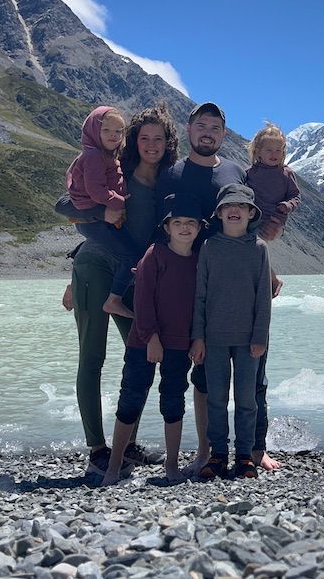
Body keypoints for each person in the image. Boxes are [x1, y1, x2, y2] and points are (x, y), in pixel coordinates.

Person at [61, 105, 211, 477]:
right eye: (143, 137)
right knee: (92, 358)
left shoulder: (169, 183)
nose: (151, 145)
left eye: (158, 138)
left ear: (168, 143)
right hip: (95, 268)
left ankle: (126, 445)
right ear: (133, 140)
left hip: (133, 278)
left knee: (143, 357)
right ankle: (98, 447)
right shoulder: (114, 170)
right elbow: (66, 204)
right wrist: (99, 218)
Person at [156, 102, 283, 473]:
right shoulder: (172, 172)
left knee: (252, 385)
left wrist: (269, 270)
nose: (207, 132)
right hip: (190, 286)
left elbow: (254, 223)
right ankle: (207, 452)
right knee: (201, 378)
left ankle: (253, 451)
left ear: (224, 134)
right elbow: (154, 221)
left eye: (214, 126)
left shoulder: (234, 171)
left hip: (238, 290)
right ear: (189, 128)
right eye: (201, 125)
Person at [101, 193, 204, 486]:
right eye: (178, 223)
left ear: (199, 228)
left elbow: (199, 304)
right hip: (144, 341)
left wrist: (198, 338)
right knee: (131, 397)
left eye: (191, 223)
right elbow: (143, 300)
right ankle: (114, 465)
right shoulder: (154, 255)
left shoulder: (198, 262)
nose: (185, 228)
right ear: (167, 227)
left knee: (173, 401)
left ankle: (171, 465)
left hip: (180, 343)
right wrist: (152, 338)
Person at [189, 183, 272, 480]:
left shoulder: (259, 249)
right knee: (216, 399)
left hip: (250, 340)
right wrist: (198, 336)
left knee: (247, 399)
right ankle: (218, 454)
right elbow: (200, 295)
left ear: (251, 213)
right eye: (227, 206)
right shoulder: (210, 247)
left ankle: (245, 455)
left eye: (241, 206)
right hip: (214, 340)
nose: (234, 210)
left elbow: (264, 296)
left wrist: (260, 337)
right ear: (220, 213)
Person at [65, 106, 141, 319]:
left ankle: (113, 297)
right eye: (106, 130)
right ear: (93, 130)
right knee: (131, 255)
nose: (113, 136)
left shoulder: (106, 156)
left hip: (94, 222)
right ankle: (114, 300)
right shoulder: (94, 156)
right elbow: (94, 191)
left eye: (119, 131)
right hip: (93, 224)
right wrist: (118, 202)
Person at [246, 123, 302, 241]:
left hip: (274, 219)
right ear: (258, 151)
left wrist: (288, 205)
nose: (274, 154)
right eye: (269, 150)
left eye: (278, 150)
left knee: (257, 244)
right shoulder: (250, 172)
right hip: (251, 218)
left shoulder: (286, 173)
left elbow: (295, 196)